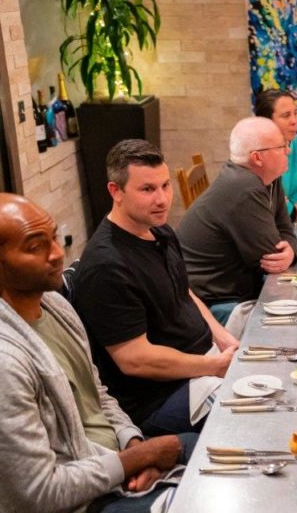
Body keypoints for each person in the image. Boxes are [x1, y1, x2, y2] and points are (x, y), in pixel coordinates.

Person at [0, 193, 194, 513]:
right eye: (35, 246)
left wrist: (133, 442)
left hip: (107, 473)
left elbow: (97, 393)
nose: (56, 252)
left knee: (222, 455)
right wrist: (132, 461)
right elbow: (38, 495)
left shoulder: (53, 303)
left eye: (52, 236)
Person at [72, 140, 238, 436]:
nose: (162, 199)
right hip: (160, 400)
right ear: (116, 192)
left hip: (203, 365)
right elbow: (135, 360)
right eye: (147, 190)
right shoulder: (107, 266)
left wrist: (222, 337)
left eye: (165, 186)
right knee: (259, 418)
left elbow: (183, 293)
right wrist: (212, 367)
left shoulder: (159, 231)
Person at [178, 116, 297, 323]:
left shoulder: (269, 178)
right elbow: (270, 257)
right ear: (257, 158)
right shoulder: (244, 189)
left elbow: (284, 228)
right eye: (281, 146)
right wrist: (288, 251)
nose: (288, 150)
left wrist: (291, 251)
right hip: (214, 305)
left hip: (236, 290)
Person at [254, 89, 297, 220]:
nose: (294, 121)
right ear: (267, 121)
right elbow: (285, 214)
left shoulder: (296, 142)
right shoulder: (261, 155)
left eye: (295, 113)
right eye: (286, 115)